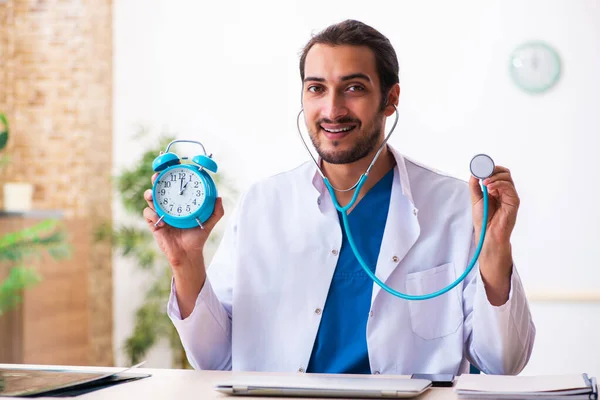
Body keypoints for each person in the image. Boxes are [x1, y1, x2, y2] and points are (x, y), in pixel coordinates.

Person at [143, 19, 535, 375]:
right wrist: (186, 261)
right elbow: (214, 360)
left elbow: (504, 362)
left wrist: (495, 248)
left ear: (391, 98)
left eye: (354, 88)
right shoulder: (263, 204)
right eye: (317, 88)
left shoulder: (453, 206)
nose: (332, 109)